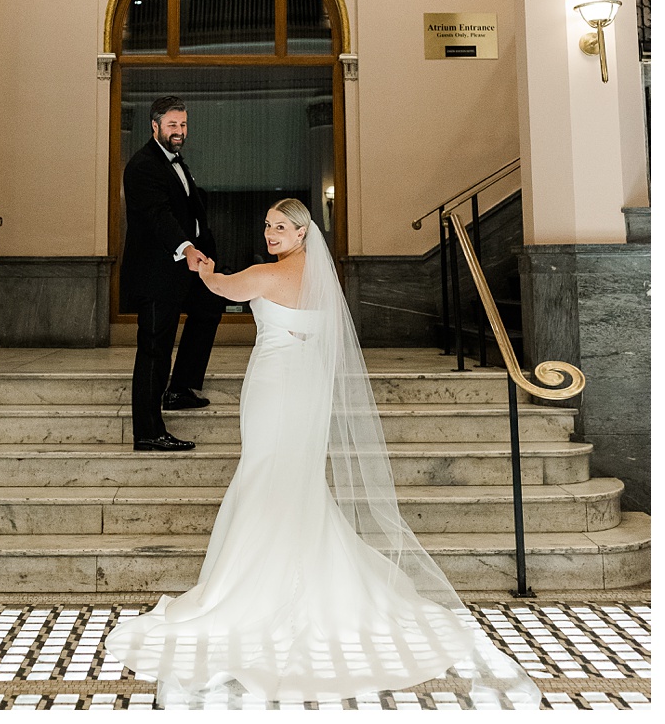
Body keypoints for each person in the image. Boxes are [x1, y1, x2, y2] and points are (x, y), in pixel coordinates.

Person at [106, 199, 542, 709]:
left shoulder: (265, 276)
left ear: (301, 232)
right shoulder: (321, 279)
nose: (271, 233)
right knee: (296, 476)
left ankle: (255, 585)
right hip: (309, 385)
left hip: (273, 386)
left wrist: (199, 263)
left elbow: (222, 287)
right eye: (267, 225)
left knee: (266, 469)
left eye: (282, 227)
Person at [120, 95, 225, 452]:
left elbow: (189, 209)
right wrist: (187, 247)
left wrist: (204, 247)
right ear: (155, 127)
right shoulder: (142, 166)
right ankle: (148, 432)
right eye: (172, 125)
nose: (179, 131)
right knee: (154, 347)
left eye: (183, 124)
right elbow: (157, 217)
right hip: (157, 271)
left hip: (187, 266)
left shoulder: (175, 160)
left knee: (209, 308)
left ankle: (179, 389)